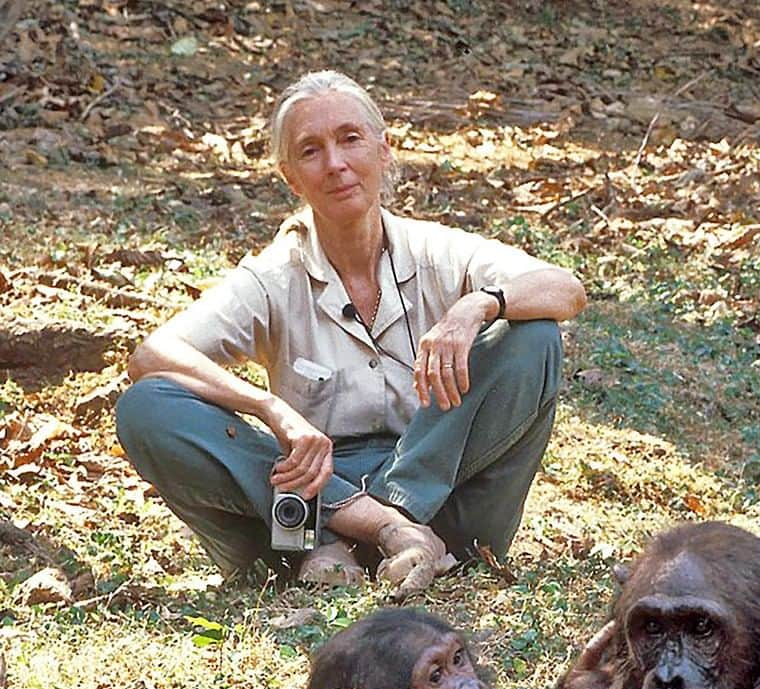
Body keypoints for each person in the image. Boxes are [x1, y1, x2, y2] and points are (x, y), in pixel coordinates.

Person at [116, 70, 586, 593]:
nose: (336, 164)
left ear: (384, 150)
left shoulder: (438, 251)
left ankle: (401, 530)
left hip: (447, 511)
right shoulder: (274, 277)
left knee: (534, 336)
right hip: (299, 517)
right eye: (311, 150)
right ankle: (371, 532)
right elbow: (153, 354)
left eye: (350, 139)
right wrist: (270, 409)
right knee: (148, 406)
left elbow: (565, 289)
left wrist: (477, 306)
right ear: (291, 177)